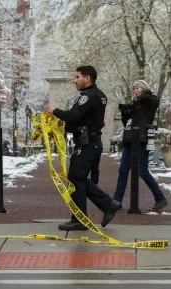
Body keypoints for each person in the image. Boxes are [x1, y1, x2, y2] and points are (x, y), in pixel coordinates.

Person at [46, 66, 121, 231]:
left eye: (77, 77)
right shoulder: (97, 95)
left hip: (88, 144)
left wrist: (55, 111)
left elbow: (73, 116)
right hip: (90, 143)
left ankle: (89, 214)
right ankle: (101, 208)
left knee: (75, 177)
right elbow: (78, 121)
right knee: (76, 178)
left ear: (87, 78)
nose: (75, 80)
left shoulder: (88, 97)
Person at [114, 80, 167, 210]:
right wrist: (125, 111)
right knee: (123, 170)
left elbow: (149, 98)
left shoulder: (150, 101)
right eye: (134, 89)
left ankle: (160, 198)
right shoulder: (136, 104)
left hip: (142, 139)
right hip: (129, 139)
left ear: (144, 89)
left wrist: (141, 96)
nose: (136, 91)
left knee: (142, 171)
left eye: (138, 88)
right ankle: (116, 201)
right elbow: (128, 121)